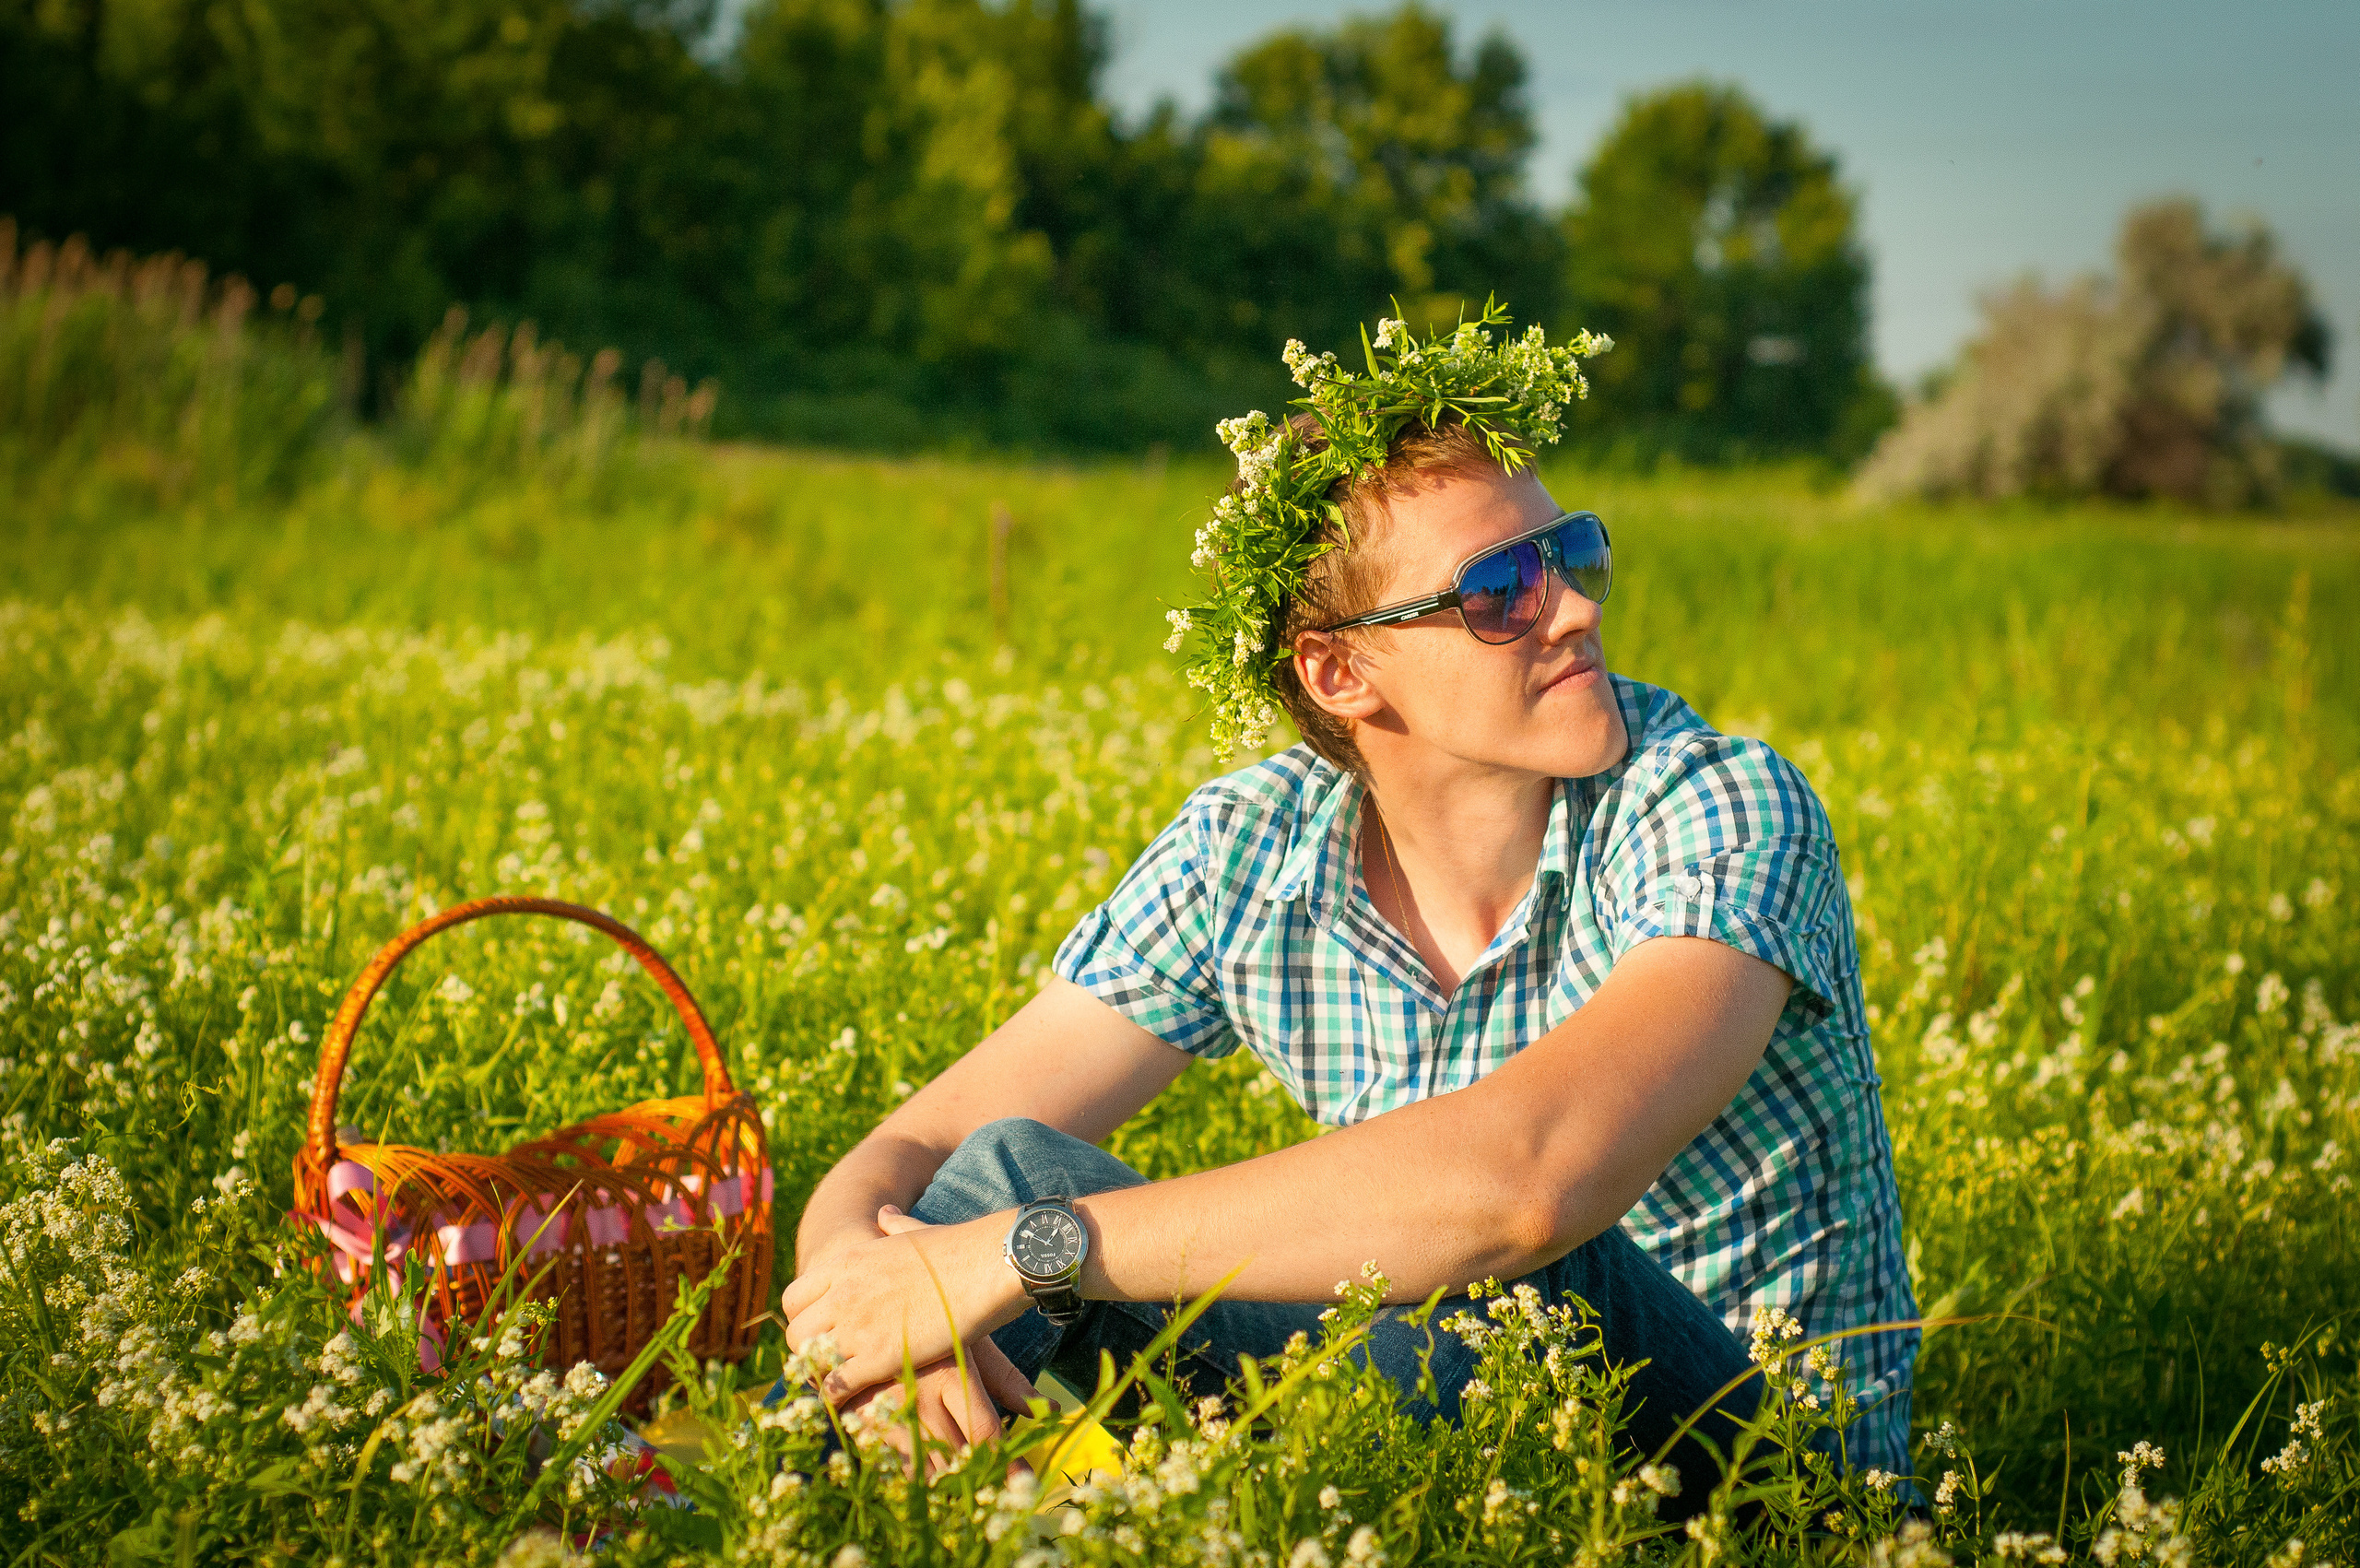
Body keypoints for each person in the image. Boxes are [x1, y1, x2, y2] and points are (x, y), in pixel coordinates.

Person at [779, 308, 1918, 1501]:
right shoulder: (1254, 844)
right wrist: (881, 1301)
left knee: (1516, 1271)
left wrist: (1022, 1255)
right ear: (1340, 671)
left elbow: (1527, 1186)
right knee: (1009, 1165)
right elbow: (913, 1152)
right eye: (1500, 591)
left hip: (1774, 1488)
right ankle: (733, 1503)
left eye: (1570, 554)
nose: (1573, 607)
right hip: (1435, 1430)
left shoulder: (1722, 805)